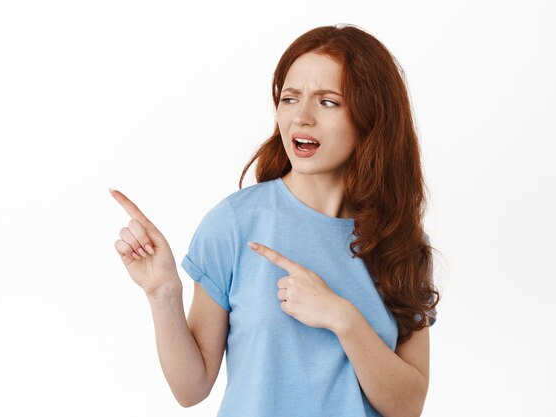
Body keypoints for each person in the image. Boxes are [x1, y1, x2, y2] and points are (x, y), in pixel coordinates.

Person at [110, 23, 440, 417]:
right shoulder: (234, 223)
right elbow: (191, 388)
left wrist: (341, 316)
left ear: (372, 116)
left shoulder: (400, 241)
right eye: (289, 98)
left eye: (328, 102)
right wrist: (162, 292)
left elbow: (407, 407)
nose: (301, 117)